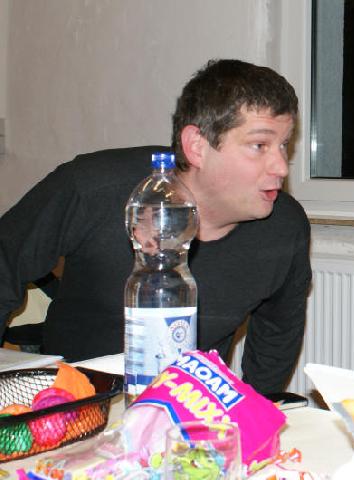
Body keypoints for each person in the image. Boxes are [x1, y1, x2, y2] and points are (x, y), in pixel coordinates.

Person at [0, 59, 312, 395]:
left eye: (284, 144)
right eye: (260, 146)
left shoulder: (285, 227)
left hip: (189, 409)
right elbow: (5, 261)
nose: (281, 167)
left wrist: (255, 410)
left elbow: (277, 337)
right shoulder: (92, 188)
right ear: (197, 146)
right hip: (74, 404)